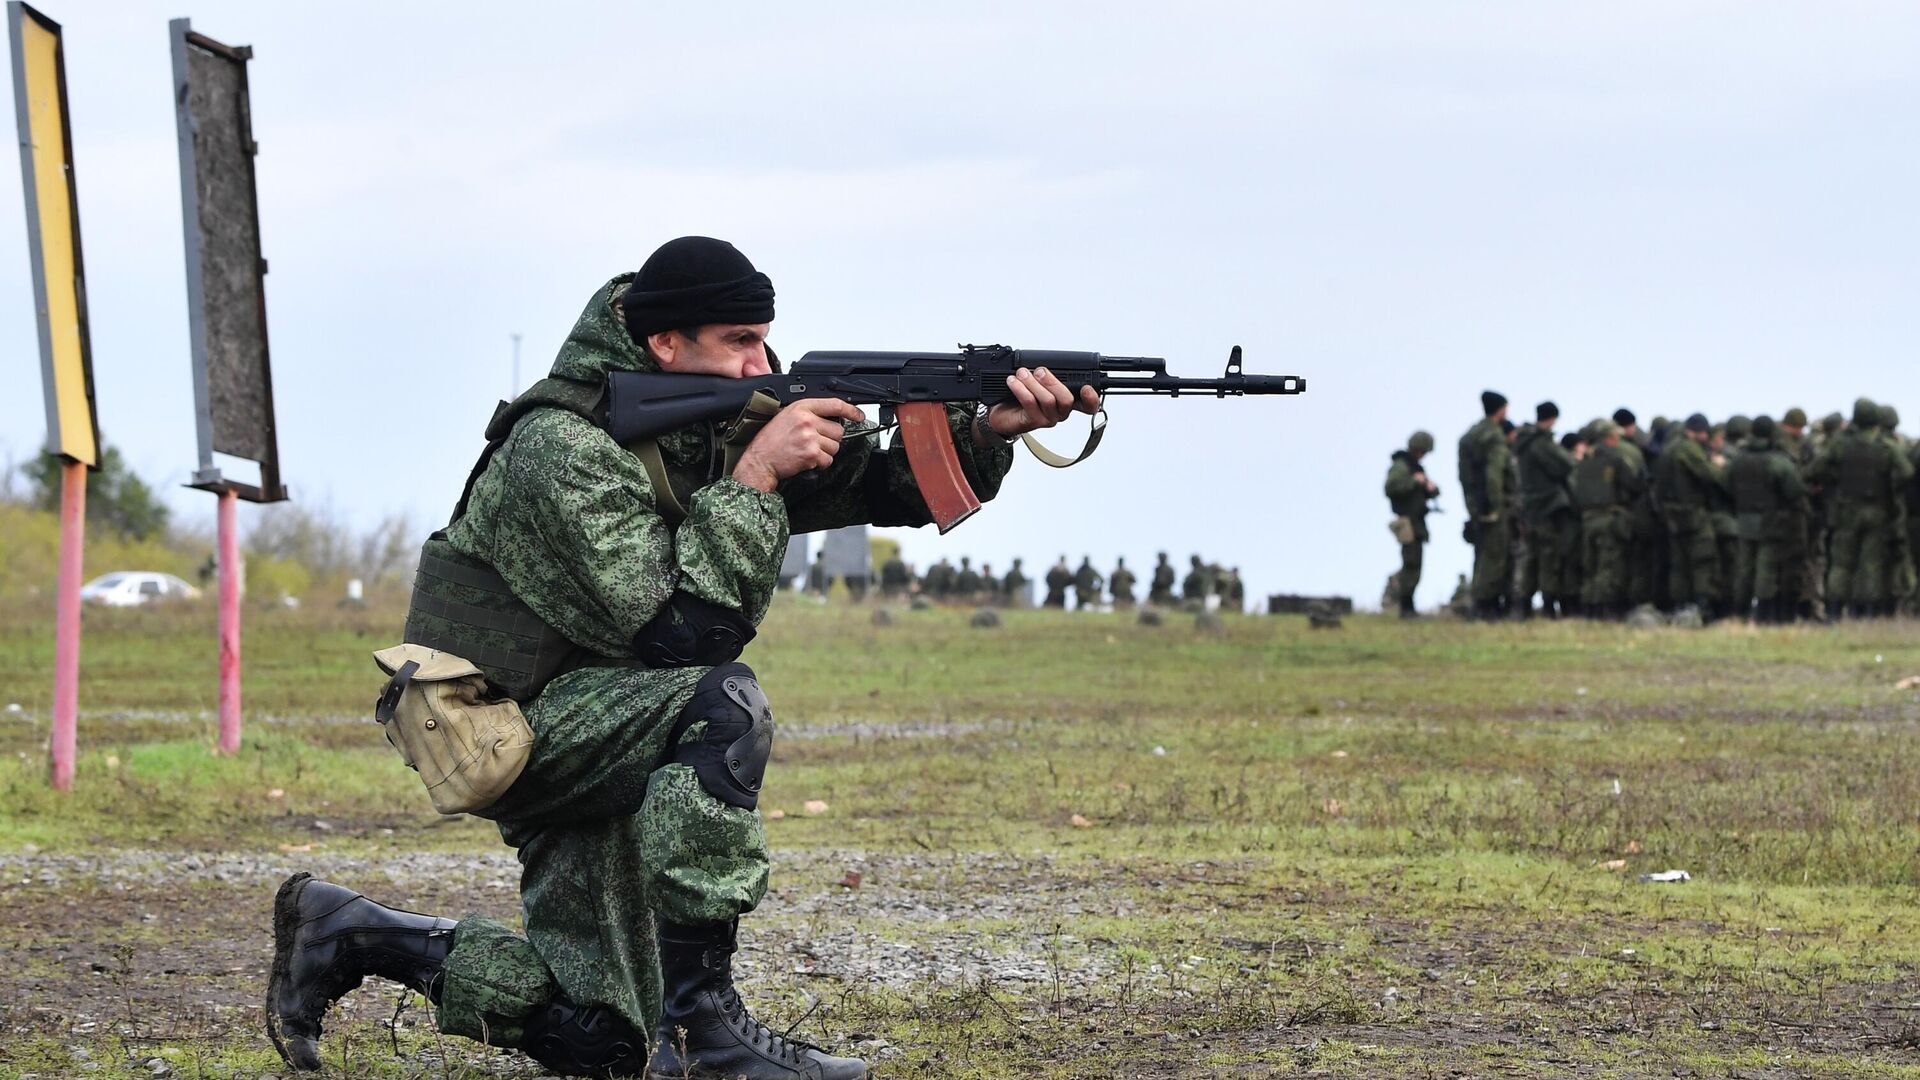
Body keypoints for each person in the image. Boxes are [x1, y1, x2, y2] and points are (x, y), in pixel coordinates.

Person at [263, 237, 1097, 1080]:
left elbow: (877, 487)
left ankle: (354, 933)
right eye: (738, 340)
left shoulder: (701, 426)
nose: (759, 363)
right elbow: (680, 635)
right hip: (509, 727)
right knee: (722, 702)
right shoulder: (562, 447)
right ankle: (707, 1038)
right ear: (666, 345)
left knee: (604, 1041)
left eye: (765, 339)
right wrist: (758, 477)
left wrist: (988, 430)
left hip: (601, 719)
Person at [1807, 398, 1910, 617]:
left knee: (1841, 564)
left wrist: (1834, 478)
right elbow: (1906, 472)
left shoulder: (1841, 444)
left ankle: (1834, 612)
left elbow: (1815, 470)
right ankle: (1868, 614)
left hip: (1846, 510)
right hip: (1878, 510)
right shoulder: (1885, 446)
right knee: (1871, 564)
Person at [1727, 415, 1808, 623]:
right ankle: (1763, 616)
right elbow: (1795, 490)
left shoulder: (1738, 459)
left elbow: (1726, 485)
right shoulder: (1778, 461)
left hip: (1743, 521)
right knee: (1766, 571)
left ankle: (1739, 614)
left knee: (1743, 569)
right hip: (1770, 523)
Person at [1655, 414, 1726, 619]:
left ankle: (1680, 606)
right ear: (1698, 431)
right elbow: (1710, 475)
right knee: (1702, 559)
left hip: (1671, 514)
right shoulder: (1688, 449)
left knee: (1679, 562)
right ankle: (1702, 607)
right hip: (1692, 513)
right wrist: (1720, 465)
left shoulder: (1668, 449)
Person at [1571, 419, 1643, 618]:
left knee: (1590, 566)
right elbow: (1634, 485)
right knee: (1608, 566)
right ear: (1610, 438)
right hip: (1609, 518)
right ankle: (1605, 609)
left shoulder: (1583, 461)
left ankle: (1588, 607)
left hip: (1587, 519)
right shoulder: (1617, 459)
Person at [1514, 404, 1578, 618]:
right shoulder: (1541, 443)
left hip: (1530, 506)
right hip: (1547, 507)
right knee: (1548, 556)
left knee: (1532, 556)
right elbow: (1565, 464)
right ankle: (1548, 605)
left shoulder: (1524, 443)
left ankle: (1525, 604)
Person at [1458, 391, 1511, 620]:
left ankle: (1478, 603)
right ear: (1501, 409)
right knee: (1495, 555)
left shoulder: (1470, 436)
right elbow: (1493, 475)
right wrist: (1495, 507)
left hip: (1474, 504)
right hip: (1491, 506)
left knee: (1481, 555)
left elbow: (1464, 476)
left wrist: (1473, 505)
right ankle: (1486, 606)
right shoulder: (1493, 436)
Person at [1383, 430, 1439, 618]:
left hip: (1417, 521)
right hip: (1406, 521)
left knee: (1415, 563)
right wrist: (1413, 481)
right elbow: (1391, 487)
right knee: (1411, 562)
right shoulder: (1401, 466)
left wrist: (1428, 487)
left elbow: (1430, 491)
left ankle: (1408, 605)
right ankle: (1405, 605)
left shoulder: (1414, 467)